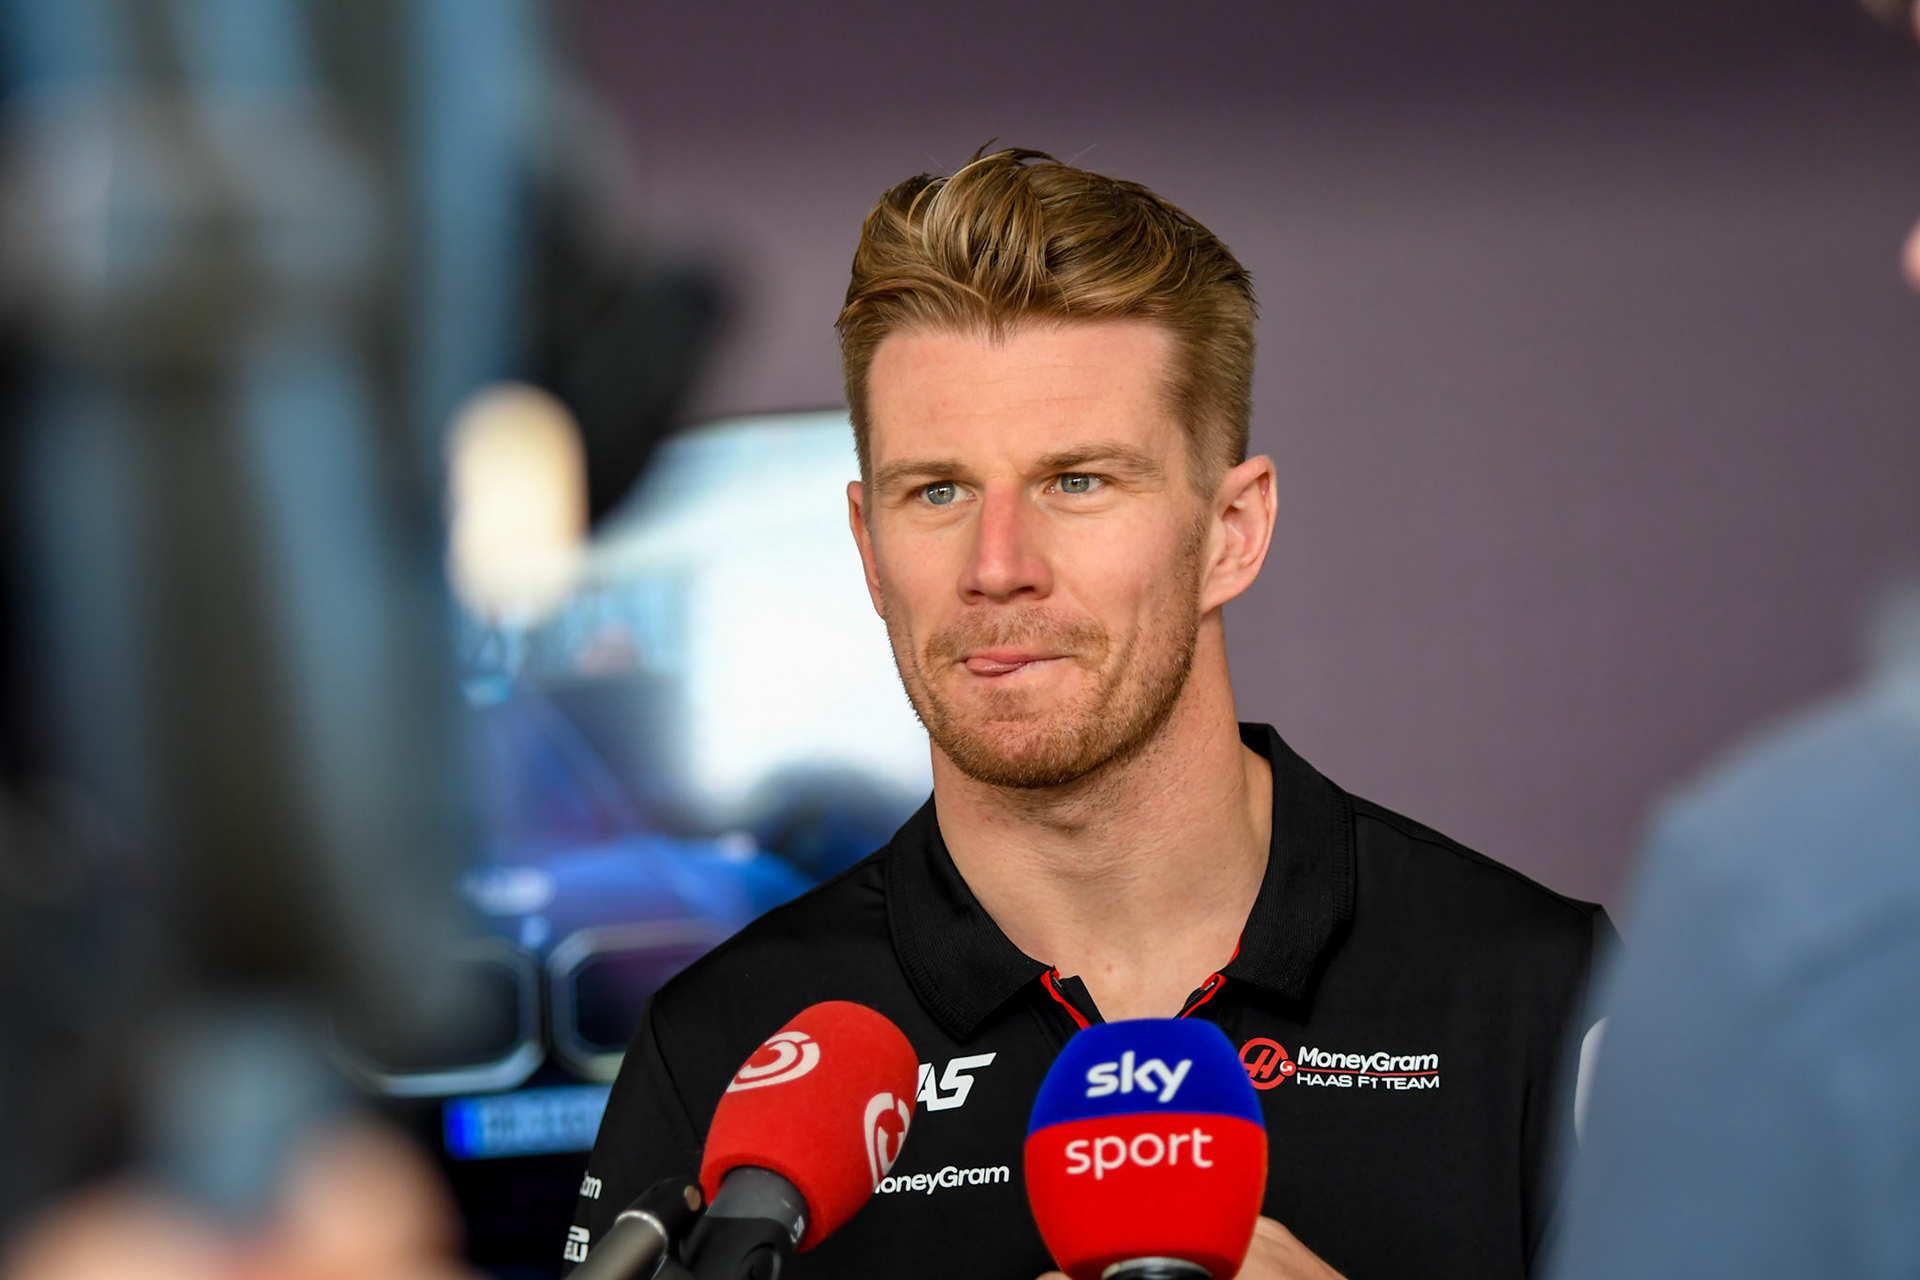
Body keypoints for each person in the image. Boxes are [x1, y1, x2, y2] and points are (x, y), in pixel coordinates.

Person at [565, 148, 1613, 1280]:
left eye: (1078, 481)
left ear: (1232, 530)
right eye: (940, 490)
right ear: (869, 550)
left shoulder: (1533, 989)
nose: (998, 565)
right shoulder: (727, 1050)